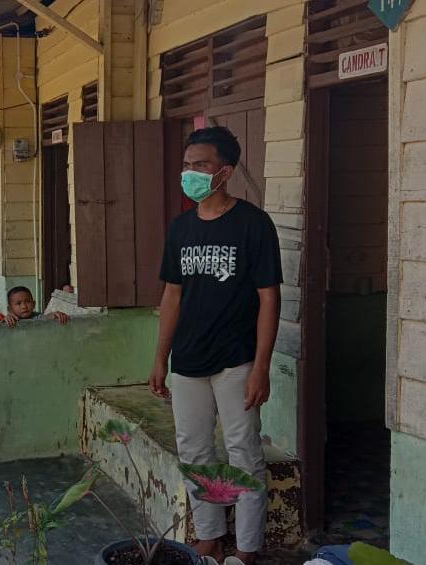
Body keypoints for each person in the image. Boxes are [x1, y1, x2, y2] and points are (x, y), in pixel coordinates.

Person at [147, 127, 282, 565]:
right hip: (188, 361)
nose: (190, 173)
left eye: (200, 165)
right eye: (187, 165)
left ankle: (246, 548)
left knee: (243, 452)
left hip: (236, 360)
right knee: (195, 450)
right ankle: (208, 537)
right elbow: (171, 295)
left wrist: (261, 367)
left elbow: (268, 298)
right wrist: (159, 358)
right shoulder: (181, 227)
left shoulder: (254, 224)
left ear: (225, 171)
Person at [5, 286, 69, 327]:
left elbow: (46, 317)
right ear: (10, 309)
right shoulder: (10, 319)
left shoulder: (36, 317)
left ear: (34, 304)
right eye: (18, 303)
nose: (24, 306)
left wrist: (54, 314)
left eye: (28, 302)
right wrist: (7, 319)